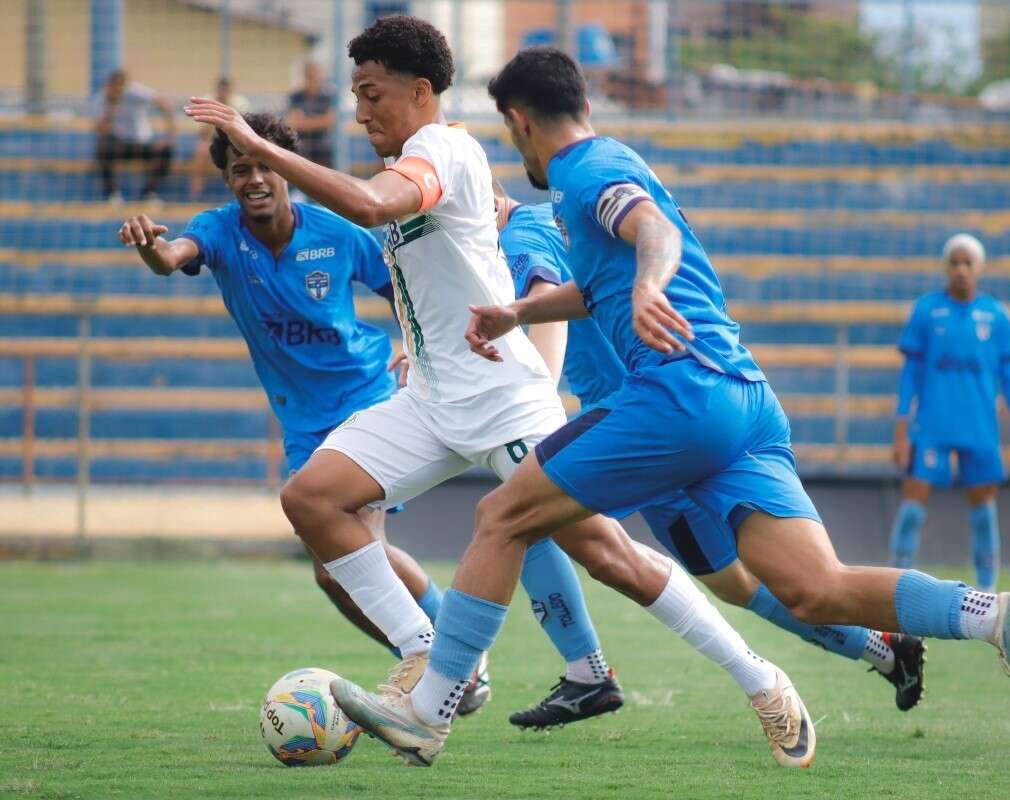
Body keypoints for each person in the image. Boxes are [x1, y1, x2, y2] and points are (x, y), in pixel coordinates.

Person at [353, 46, 1010, 768]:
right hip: (745, 399)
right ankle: (995, 614)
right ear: (586, 106)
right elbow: (610, 271)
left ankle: (428, 709)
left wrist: (648, 286)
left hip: (676, 395)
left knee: (501, 517)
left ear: (518, 123)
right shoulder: (616, 160)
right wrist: (519, 312)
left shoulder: (582, 173)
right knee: (814, 589)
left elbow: (651, 236)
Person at [186, 15, 811, 768]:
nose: (359, 111)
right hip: (433, 396)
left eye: (371, 93)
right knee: (312, 499)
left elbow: (376, 206)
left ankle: (762, 680)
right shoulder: (423, 157)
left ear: (420, 92)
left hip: (503, 398)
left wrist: (260, 147)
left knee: (608, 556)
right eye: (354, 95)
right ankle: (431, 657)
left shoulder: (440, 148)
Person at [115, 111, 620, 720]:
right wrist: (151, 248)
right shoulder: (220, 232)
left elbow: (412, 286)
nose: (254, 179)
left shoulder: (334, 230)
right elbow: (173, 256)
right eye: (240, 169)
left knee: (488, 525)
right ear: (225, 179)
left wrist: (424, 341)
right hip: (304, 420)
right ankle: (450, 659)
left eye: (264, 166)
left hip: (369, 395)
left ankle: (449, 663)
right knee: (335, 574)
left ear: (287, 171)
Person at [493, 181, 927, 726]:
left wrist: (540, 403)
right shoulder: (551, 220)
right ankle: (884, 648)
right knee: (735, 579)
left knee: (734, 580)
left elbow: (545, 301)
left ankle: (590, 672)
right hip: (655, 404)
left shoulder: (517, 236)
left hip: (635, 423)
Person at [888, 234, 1010, 593]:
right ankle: (894, 583)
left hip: (979, 427)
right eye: (954, 263)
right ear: (946, 266)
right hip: (932, 426)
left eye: (967, 263)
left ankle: (987, 593)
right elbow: (910, 375)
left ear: (980, 268)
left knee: (984, 508)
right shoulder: (926, 311)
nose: (961, 270)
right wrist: (900, 429)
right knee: (912, 503)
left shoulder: (997, 316)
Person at [93, 69, 175, 203]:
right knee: (102, 148)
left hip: (142, 143)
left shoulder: (135, 92)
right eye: (116, 87)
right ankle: (112, 195)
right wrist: (112, 108)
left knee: (166, 151)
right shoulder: (102, 99)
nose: (119, 91)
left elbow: (164, 104)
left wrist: (168, 137)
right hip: (121, 144)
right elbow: (101, 131)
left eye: (122, 86)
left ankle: (148, 194)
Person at [189, 77, 251, 199]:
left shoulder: (240, 103)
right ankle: (196, 192)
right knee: (201, 149)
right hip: (212, 140)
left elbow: (246, 130)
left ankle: (238, 188)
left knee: (239, 154)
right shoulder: (207, 101)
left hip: (234, 141)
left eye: (226, 90)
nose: (223, 93)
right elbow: (202, 133)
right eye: (221, 90)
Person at [286, 62, 336, 168]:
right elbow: (294, 122)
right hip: (301, 143)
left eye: (315, 75)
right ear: (305, 76)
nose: (313, 78)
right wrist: (318, 121)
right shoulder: (296, 96)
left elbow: (328, 122)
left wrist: (306, 121)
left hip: (322, 144)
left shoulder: (327, 96)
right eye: (309, 75)